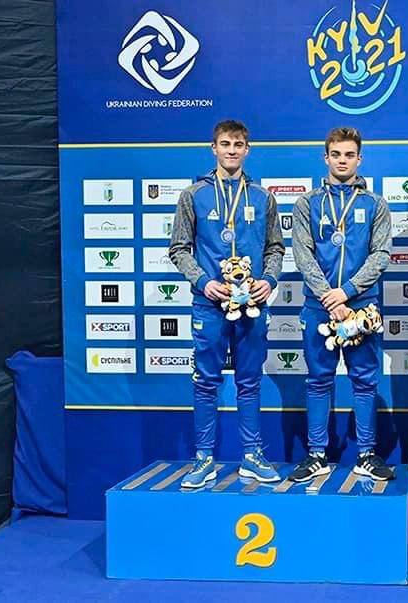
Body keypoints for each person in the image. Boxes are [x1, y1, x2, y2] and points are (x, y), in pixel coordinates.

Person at [169, 119, 284, 488]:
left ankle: (251, 455)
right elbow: (179, 249)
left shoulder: (263, 197)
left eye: (238, 145)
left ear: (247, 150)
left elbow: (276, 248)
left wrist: (268, 280)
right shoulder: (193, 195)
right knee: (206, 381)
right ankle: (204, 458)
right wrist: (204, 282)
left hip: (251, 304)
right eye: (225, 144)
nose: (231, 150)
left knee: (250, 381)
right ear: (213, 148)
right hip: (209, 304)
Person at [289, 127, 394, 482]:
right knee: (318, 380)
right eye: (336, 154)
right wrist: (328, 296)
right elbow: (303, 255)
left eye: (349, 155)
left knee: (364, 381)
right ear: (326, 158)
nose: (342, 161)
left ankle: (367, 454)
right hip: (319, 307)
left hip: (361, 308)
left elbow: (381, 255)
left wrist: (346, 292)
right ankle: (317, 454)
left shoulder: (375, 204)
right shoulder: (307, 203)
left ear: (359, 159)